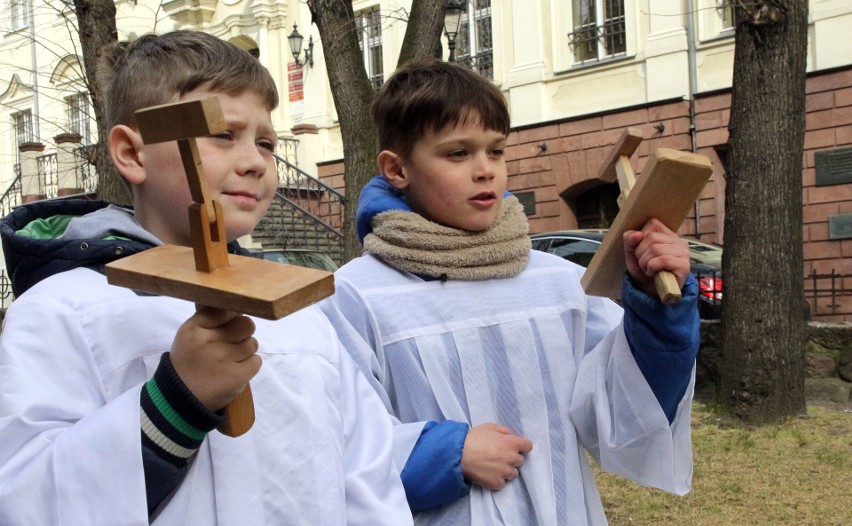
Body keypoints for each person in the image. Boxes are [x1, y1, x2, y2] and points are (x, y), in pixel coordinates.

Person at [0, 31, 412, 526]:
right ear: (132, 154)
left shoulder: (301, 311)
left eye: (265, 142)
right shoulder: (61, 311)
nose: (256, 161)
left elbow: (368, 473)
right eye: (222, 135)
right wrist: (177, 400)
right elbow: (28, 498)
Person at [319, 57, 699, 525]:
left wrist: (658, 311)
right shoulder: (355, 296)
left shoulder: (557, 282)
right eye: (458, 153)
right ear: (396, 169)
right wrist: (446, 455)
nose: (485, 171)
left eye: (496, 151)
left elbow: (624, 415)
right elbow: (332, 445)